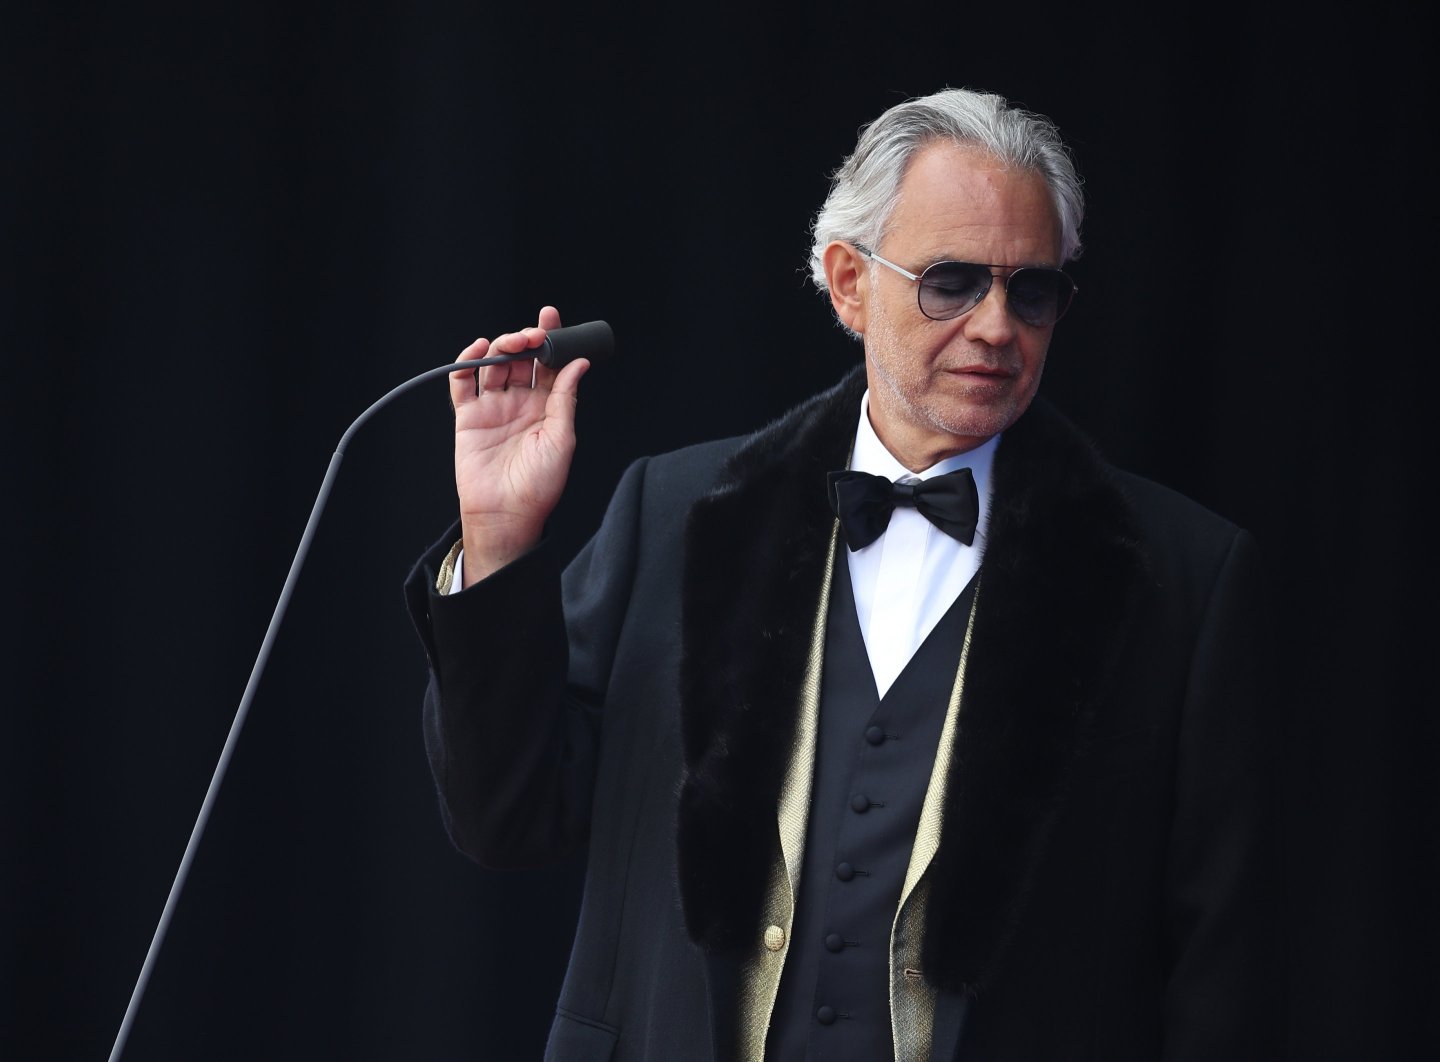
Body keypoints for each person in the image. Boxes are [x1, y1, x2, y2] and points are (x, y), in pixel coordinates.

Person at [404, 88, 1277, 1062]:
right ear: (847, 282)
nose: (996, 327)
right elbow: (506, 819)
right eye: (951, 282)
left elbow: (1220, 971)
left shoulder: (1181, 577)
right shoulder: (677, 511)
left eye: (1030, 290)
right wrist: (496, 542)